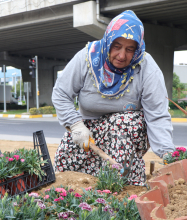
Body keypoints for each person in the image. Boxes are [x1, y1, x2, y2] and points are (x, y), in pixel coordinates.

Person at [52, 10, 175, 186]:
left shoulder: (147, 68)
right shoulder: (86, 58)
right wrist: (76, 125)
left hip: (126, 130)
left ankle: (126, 184)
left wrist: (168, 153)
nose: (122, 55)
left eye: (130, 49)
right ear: (108, 41)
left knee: (121, 122)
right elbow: (61, 93)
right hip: (88, 128)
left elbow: (157, 114)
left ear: (138, 49)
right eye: (117, 46)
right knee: (67, 165)